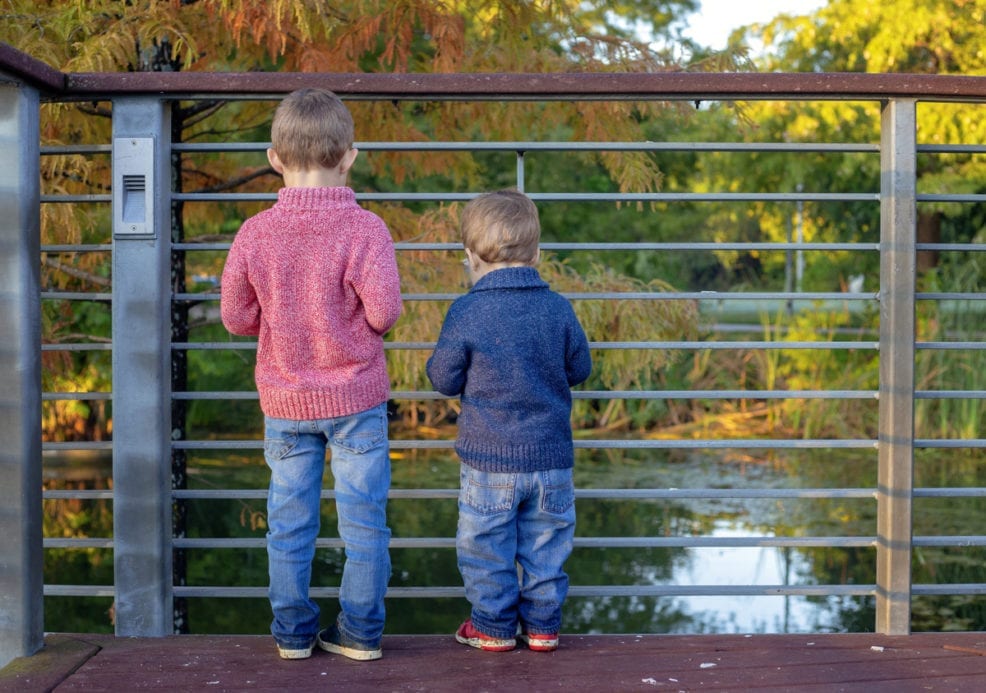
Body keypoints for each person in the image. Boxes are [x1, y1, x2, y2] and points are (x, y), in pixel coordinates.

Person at [220, 88, 402, 662]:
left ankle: (294, 635)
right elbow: (385, 313)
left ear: (274, 158)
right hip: (357, 398)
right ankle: (361, 635)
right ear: (350, 155)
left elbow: (236, 316)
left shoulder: (254, 233)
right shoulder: (367, 229)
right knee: (365, 525)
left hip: (285, 403)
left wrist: (283, 323)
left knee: (289, 525)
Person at [426, 189, 592, 653]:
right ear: (537, 253)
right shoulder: (558, 308)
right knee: (546, 548)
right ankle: (542, 626)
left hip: (488, 460)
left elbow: (442, 377)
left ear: (470, 257)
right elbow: (579, 368)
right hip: (552, 459)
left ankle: (493, 626)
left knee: (485, 547)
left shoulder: (467, 311)